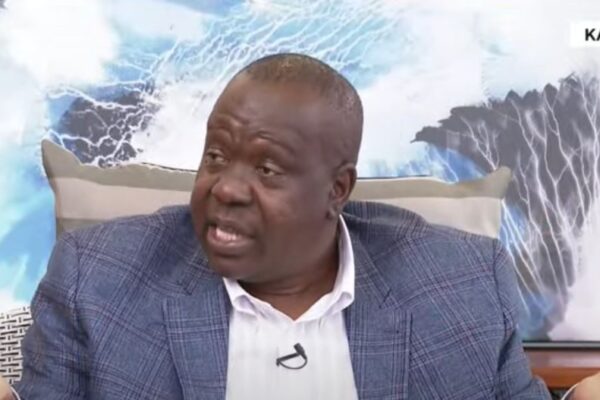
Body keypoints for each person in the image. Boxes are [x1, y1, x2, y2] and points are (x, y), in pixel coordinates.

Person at [2, 53, 598, 399]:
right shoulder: (96, 278)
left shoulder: (461, 282)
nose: (225, 188)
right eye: (216, 157)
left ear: (337, 190)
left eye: (267, 169)